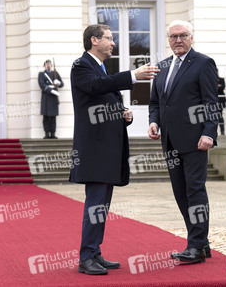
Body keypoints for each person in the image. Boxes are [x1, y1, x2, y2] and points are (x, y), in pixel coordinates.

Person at [70, 24, 159, 275]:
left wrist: (121, 113)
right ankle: (86, 257)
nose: (113, 43)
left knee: (102, 205)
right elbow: (95, 87)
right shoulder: (81, 66)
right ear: (94, 40)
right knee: (95, 204)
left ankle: (94, 253)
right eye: (109, 39)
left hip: (106, 148)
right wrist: (133, 75)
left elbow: (98, 99)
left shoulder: (99, 68)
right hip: (94, 149)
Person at [148, 20, 218, 264]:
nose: (178, 40)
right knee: (180, 193)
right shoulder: (163, 66)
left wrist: (209, 132)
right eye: (173, 36)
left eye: (183, 35)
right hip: (168, 141)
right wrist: (153, 121)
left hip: (195, 140)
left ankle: (196, 245)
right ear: (168, 40)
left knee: (195, 190)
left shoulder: (203, 63)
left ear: (191, 37)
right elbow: (156, 102)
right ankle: (200, 242)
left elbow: (211, 102)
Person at [38, 59, 64, 139]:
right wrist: (51, 91)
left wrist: (58, 83)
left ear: (51, 65)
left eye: (49, 64)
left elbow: (62, 84)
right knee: (46, 117)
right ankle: (46, 133)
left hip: (53, 98)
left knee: (53, 117)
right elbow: (42, 85)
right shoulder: (41, 74)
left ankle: (52, 133)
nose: (48, 65)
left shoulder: (55, 73)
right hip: (46, 97)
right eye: (47, 64)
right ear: (44, 65)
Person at [217, 69, 226, 135]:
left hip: (220, 100)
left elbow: (222, 87)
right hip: (212, 101)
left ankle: (222, 131)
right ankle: (213, 132)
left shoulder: (221, 79)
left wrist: (215, 86)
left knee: (220, 116)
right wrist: (217, 86)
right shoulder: (209, 79)